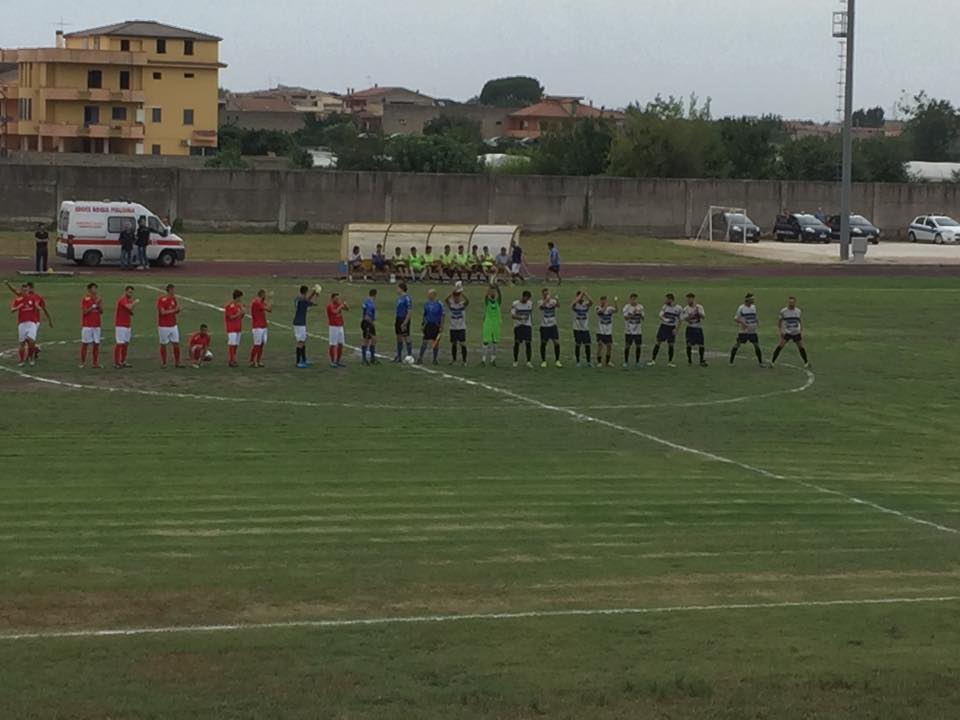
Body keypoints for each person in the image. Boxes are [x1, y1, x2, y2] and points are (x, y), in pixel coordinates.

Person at [8, 281, 52, 367]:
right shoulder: (18, 300)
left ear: (29, 290)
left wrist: (38, 308)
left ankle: (31, 358)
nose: (25, 292)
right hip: (22, 323)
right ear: (22, 291)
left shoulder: (33, 299)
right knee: (22, 343)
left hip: (32, 323)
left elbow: (39, 307)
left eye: (26, 290)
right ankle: (21, 360)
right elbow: (12, 310)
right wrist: (18, 307)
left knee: (31, 340)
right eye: (23, 290)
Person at [772, 296, 810, 369]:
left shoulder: (798, 311)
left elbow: (799, 320)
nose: (791, 304)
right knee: (780, 346)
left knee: (801, 347)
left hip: (796, 332)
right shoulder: (783, 311)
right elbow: (780, 322)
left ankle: (806, 362)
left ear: (795, 303)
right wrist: (781, 331)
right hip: (787, 333)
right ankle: (772, 362)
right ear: (788, 303)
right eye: (790, 302)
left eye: (792, 302)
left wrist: (801, 328)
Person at [730, 293, 765, 367]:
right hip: (744, 332)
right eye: (752, 299)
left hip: (752, 331)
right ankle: (731, 361)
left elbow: (754, 315)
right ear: (748, 299)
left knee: (756, 345)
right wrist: (743, 323)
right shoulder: (741, 308)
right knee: (737, 344)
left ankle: (760, 363)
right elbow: (736, 318)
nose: (753, 300)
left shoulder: (753, 307)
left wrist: (757, 320)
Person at [648, 293, 681, 367]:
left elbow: (680, 320)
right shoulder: (665, 307)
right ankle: (653, 360)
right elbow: (660, 315)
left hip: (672, 328)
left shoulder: (678, 308)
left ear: (671, 299)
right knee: (658, 342)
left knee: (671, 344)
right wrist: (665, 319)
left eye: (667, 299)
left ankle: (670, 362)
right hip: (663, 327)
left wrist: (676, 329)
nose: (665, 300)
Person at [156, 284, 183, 368]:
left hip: (173, 325)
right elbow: (162, 312)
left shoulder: (173, 299)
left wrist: (178, 310)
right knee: (163, 344)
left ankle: (177, 363)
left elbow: (174, 311)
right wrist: (174, 310)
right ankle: (164, 363)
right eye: (173, 290)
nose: (174, 292)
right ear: (169, 290)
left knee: (176, 344)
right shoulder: (162, 300)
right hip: (164, 326)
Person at [293, 284, 320, 369]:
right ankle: (298, 362)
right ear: (305, 291)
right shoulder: (303, 300)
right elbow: (312, 303)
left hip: (299, 322)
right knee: (300, 342)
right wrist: (316, 294)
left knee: (303, 341)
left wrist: (313, 292)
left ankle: (304, 359)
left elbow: (307, 299)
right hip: (299, 323)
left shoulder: (298, 298)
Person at [79, 282, 104, 369]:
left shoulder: (98, 299)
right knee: (85, 343)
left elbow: (101, 311)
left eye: (96, 288)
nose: (95, 290)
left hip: (97, 324)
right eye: (93, 288)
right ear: (89, 289)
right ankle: (82, 362)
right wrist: (93, 306)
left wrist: (99, 306)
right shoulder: (85, 299)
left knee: (96, 343)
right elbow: (85, 312)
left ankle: (95, 363)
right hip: (87, 325)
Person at [680, 292, 708, 367]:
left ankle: (701, 360)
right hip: (690, 328)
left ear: (693, 299)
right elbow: (684, 318)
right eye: (687, 299)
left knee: (701, 345)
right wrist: (691, 316)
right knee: (689, 344)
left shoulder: (699, 307)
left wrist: (698, 313)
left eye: (689, 299)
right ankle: (689, 360)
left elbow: (703, 317)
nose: (688, 301)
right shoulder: (686, 309)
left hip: (698, 328)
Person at [113, 285, 138, 369]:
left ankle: (123, 361)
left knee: (126, 343)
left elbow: (130, 311)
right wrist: (135, 302)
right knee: (120, 343)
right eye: (129, 292)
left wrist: (132, 305)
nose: (131, 294)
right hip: (120, 325)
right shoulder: (123, 299)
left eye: (132, 292)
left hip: (127, 324)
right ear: (126, 291)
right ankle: (117, 362)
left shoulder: (128, 300)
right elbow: (129, 307)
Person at [445, 284, 470, 366]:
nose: (456, 298)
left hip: (461, 327)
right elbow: (446, 300)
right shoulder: (451, 305)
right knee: (454, 343)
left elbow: (468, 301)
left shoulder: (462, 305)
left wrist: (462, 293)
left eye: (458, 297)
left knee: (462, 343)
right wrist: (452, 293)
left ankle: (464, 361)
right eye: (455, 297)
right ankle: (454, 359)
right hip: (453, 327)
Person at [538, 287, 562, 368]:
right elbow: (541, 307)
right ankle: (543, 361)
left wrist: (557, 299)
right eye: (545, 294)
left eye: (548, 293)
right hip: (544, 326)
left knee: (556, 342)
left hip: (552, 325)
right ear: (543, 294)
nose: (547, 295)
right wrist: (546, 300)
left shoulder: (553, 301)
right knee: (543, 343)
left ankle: (557, 360)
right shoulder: (541, 301)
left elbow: (558, 306)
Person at [418, 289, 444, 365]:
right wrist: (423, 324)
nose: (428, 296)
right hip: (428, 324)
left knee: (435, 342)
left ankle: (435, 359)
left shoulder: (439, 304)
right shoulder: (426, 304)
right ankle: (420, 358)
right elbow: (425, 315)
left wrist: (441, 326)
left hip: (436, 325)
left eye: (430, 294)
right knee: (424, 341)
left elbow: (442, 315)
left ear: (434, 295)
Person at [481, 283, 503, 367]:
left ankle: (493, 360)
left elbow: (500, 296)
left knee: (495, 342)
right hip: (488, 323)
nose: (493, 294)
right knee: (486, 341)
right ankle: (483, 360)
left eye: (494, 293)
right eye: (492, 293)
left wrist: (497, 288)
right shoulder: (487, 302)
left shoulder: (498, 302)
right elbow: (485, 296)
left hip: (496, 323)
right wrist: (489, 288)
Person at [249, 289, 272, 368]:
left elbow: (269, 309)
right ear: (262, 295)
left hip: (263, 326)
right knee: (257, 344)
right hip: (257, 326)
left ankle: (258, 361)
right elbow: (269, 309)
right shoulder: (256, 302)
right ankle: (252, 361)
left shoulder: (260, 302)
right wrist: (270, 299)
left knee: (261, 344)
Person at [511, 290, 534, 368]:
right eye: (525, 298)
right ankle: (515, 360)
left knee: (528, 343)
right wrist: (521, 317)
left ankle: (528, 361)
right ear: (523, 296)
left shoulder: (530, 303)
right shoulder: (516, 304)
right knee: (517, 343)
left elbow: (530, 313)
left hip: (527, 326)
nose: (526, 300)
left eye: (528, 298)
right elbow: (513, 316)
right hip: (518, 326)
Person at [326, 291, 349, 368]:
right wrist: (341, 306)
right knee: (333, 344)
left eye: (338, 298)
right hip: (333, 327)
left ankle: (338, 361)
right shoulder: (330, 306)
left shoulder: (338, 304)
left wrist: (345, 305)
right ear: (332, 298)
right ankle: (333, 361)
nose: (338, 299)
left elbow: (347, 309)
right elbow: (334, 312)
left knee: (341, 344)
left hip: (340, 326)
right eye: (336, 298)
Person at [571, 290, 593, 368]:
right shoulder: (575, 304)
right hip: (577, 328)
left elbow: (591, 302)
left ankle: (588, 362)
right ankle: (577, 361)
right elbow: (573, 304)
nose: (581, 298)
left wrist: (585, 294)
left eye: (582, 297)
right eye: (580, 296)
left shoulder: (585, 304)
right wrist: (580, 295)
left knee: (587, 345)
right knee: (578, 345)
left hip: (585, 328)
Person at [622, 293, 645, 368]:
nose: (634, 300)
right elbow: (625, 318)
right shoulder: (627, 307)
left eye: (635, 299)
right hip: (629, 330)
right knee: (627, 346)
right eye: (632, 299)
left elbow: (643, 318)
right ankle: (626, 362)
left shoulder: (640, 307)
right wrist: (633, 313)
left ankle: (637, 362)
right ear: (630, 299)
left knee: (638, 346)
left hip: (638, 330)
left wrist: (640, 314)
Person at [224, 289, 245, 368]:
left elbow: (240, 317)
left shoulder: (239, 306)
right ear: (237, 297)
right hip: (231, 328)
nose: (241, 299)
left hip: (238, 328)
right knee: (232, 344)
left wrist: (242, 314)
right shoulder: (229, 306)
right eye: (240, 297)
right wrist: (239, 313)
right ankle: (231, 360)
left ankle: (234, 358)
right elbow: (230, 317)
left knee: (236, 344)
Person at [595, 295, 618, 368]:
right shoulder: (598, 307)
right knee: (600, 345)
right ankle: (599, 362)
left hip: (608, 331)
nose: (604, 302)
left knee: (609, 346)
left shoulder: (610, 308)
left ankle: (607, 362)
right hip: (600, 331)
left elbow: (616, 310)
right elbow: (601, 312)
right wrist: (605, 305)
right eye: (603, 300)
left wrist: (615, 302)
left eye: (605, 300)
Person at [394, 282, 413, 362]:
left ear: (401, 289)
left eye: (398, 288)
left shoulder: (407, 298)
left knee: (406, 337)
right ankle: (399, 356)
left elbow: (409, 311)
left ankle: (409, 355)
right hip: (398, 319)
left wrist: (405, 322)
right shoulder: (399, 298)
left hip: (403, 319)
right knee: (399, 337)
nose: (397, 290)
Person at [361, 288, 378, 366]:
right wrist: (372, 323)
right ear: (375, 295)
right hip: (367, 323)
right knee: (366, 340)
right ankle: (364, 359)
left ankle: (372, 358)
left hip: (368, 322)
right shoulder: (369, 302)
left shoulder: (367, 301)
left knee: (374, 339)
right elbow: (367, 315)